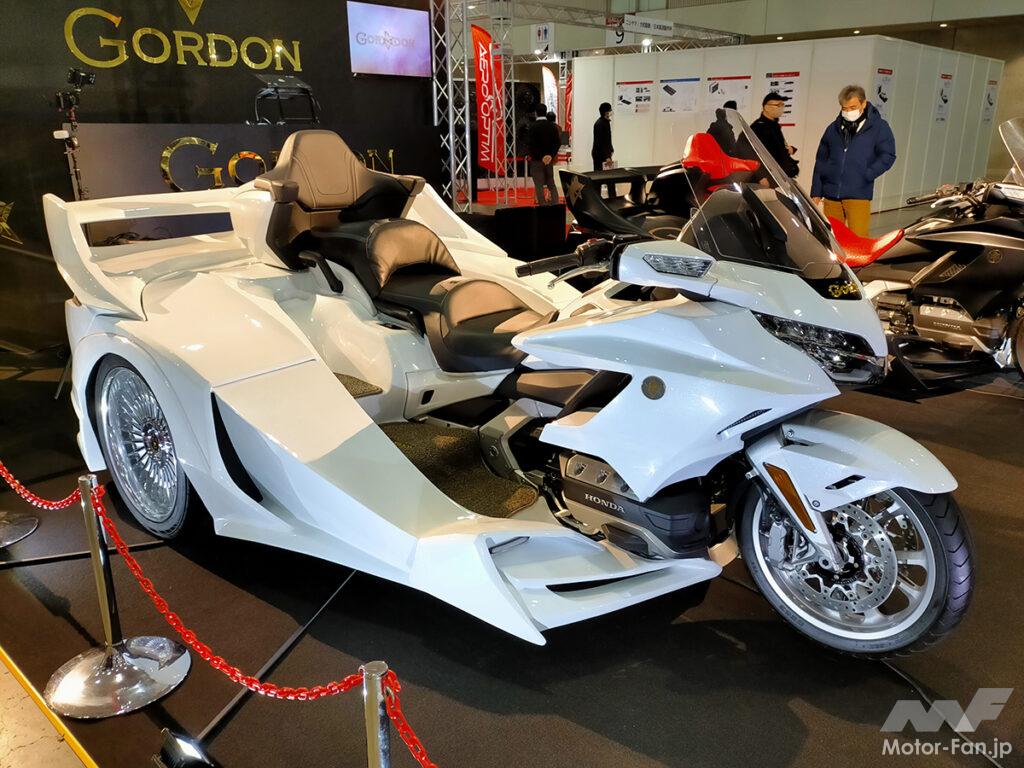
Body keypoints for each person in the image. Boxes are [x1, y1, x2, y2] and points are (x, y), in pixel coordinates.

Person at [811, 84, 896, 237]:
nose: (848, 112)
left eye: (853, 107)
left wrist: (867, 174)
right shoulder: (833, 128)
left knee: (859, 239)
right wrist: (816, 191)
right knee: (832, 238)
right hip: (831, 195)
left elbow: (888, 155)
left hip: (858, 194)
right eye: (845, 108)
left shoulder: (879, 127)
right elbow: (821, 160)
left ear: (863, 104)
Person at [750, 92, 799, 178]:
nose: (781, 108)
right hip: (768, 176)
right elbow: (753, 154)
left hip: (778, 176)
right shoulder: (758, 127)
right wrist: (761, 177)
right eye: (778, 105)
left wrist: (788, 150)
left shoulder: (774, 126)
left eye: (782, 105)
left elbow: (776, 149)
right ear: (766, 107)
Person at [528, 104, 561, 204]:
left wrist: (540, 156)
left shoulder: (532, 127)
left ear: (536, 113)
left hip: (536, 161)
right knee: (551, 184)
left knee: (539, 185)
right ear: (545, 112)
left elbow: (530, 145)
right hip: (549, 160)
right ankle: (555, 205)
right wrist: (550, 155)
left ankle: (543, 207)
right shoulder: (552, 126)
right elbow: (557, 142)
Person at [591, 102, 616, 197]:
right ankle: (598, 200)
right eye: (610, 110)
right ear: (606, 112)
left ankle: (612, 199)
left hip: (605, 154)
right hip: (600, 155)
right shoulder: (599, 124)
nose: (611, 112)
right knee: (599, 179)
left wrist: (611, 149)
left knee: (610, 179)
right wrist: (606, 157)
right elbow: (600, 143)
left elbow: (607, 140)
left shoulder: (605, 122)